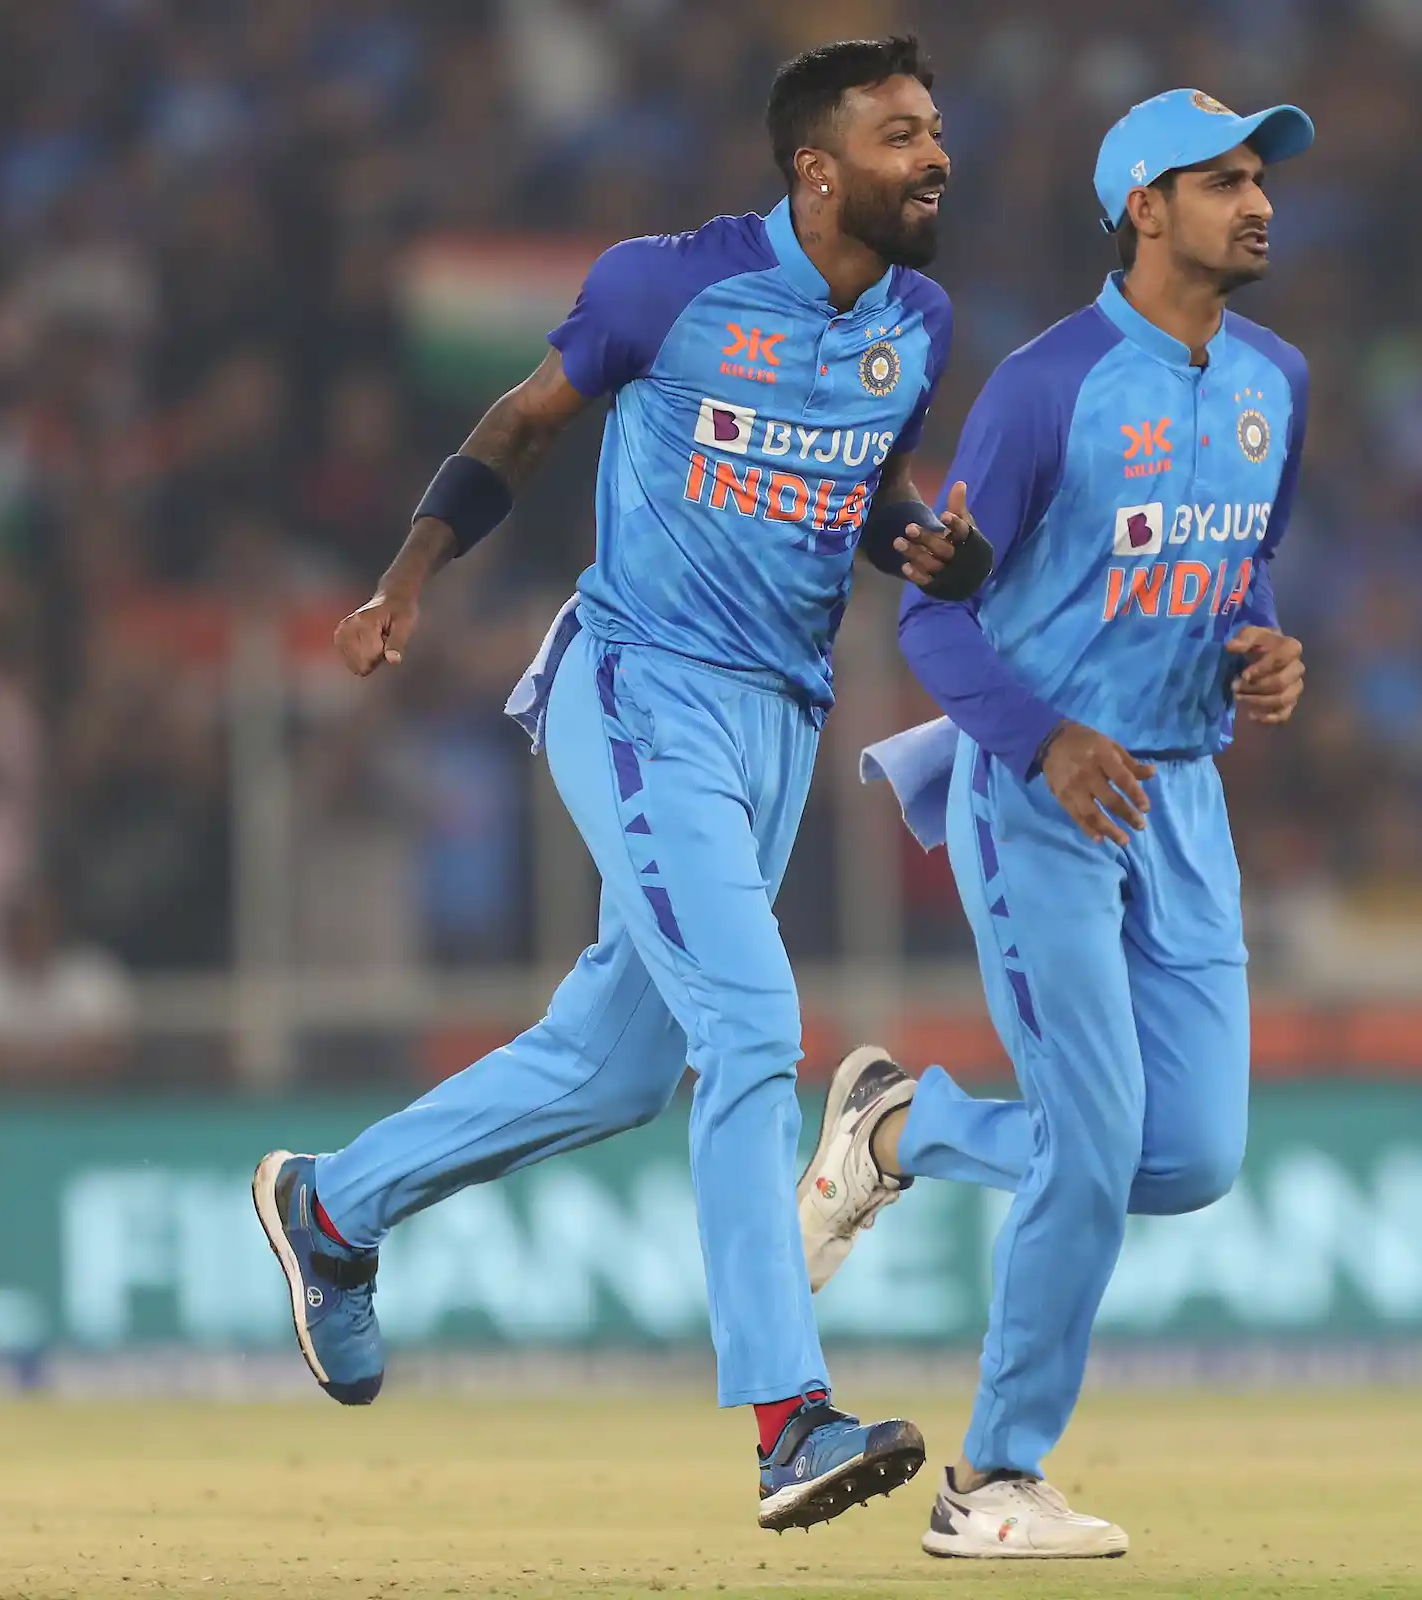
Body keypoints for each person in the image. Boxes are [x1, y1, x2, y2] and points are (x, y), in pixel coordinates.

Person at [251, 35, 984, 1534]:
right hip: (641, 687)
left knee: (616, 1066)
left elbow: (869, 495)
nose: (937, 157)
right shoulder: (669, 287)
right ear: (817, 169)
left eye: (935, 130)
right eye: (903, 135)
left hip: (780, 720)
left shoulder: (918, 321)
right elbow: (522, 422)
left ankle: (332, 1208)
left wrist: (927, 547)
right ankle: (788, 1423)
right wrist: (406, 581)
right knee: (753, 1027)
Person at [802, 88, 1313, 1558]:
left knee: (1190, 1158)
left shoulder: (1278, 380)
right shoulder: (1048, 387)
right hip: (1039, 796)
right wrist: (1047, 741)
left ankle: (901, 1129)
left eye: (1261, 178)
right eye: (1222, 181)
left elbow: (1241, 568)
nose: (1258, 202)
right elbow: (932, 622)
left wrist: (1265, 650)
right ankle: (993, 1479)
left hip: (1181, 798)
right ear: (1144, 208)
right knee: (1093, 1143)